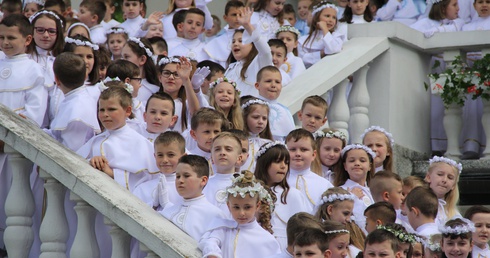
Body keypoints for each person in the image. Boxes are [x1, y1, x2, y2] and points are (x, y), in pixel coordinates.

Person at [77, 86, 157, 192]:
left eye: (111, 109)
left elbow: (143, 180)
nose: (105, 114)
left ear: (128, 111)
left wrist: (109, 172)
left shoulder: (139, 142)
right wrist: (91, 162)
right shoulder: (96, 140)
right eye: (101, 110)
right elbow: (77, 163)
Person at [199, 171, 281, 258]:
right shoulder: (223, 229)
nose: (242, 213)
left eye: (247, 207)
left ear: (257, 206)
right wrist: (213, 253)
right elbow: (210, 242)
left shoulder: (266, 239)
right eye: (236, 207)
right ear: (228, 206)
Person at [156, 155, 225, 241]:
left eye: (186, 176)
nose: (180, 180)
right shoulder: (169, 211)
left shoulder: (215, 215)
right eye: (178, 176)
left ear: (203, 180)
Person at [255, 141, 308, 249]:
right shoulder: (252, 192)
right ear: (264, 163)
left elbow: (303, 229)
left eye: (286, 162)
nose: (283, 166)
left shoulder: (293, 195)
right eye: (278, 161)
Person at [46, 52, 100, 150]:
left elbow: (71, 150)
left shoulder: (77, 108)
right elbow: (55, 134)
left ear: (57, 79)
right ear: (85, 76)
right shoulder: (73, 99)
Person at [225, 7, 273, 98]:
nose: (235, 44)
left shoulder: (259, 62)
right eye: (233, 41)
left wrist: (247, 26)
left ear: (253, 45)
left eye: (240, 41)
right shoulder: (231, 67)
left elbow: (266, 52)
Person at [28, 10, 65, 126]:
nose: (45, 35)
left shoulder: (61, 61)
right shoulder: (25, 59)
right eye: (40, 30)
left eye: (51, 31)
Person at [286, 128, 334, 212]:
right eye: (293, 149)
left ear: (313, 155)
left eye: (303, 149)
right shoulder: (278, 181)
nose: (298, 154)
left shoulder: (325, 185)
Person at [133, 131, 186, 207]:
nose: (164, 160)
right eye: (160, 155)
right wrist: (153, 205)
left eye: (170, 155)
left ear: (183, 157)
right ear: (155, 156)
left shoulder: (189, 188)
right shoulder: (142, 189)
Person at [158, 56, 209, 132]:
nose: (171, 77)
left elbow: (196, 114)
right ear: (160, 77)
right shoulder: (151, 101)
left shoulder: (186, 104)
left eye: (176, 74)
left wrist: (186, 80)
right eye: (167, 73)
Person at [335, 144, 376, 232]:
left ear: (370, 166)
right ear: (345, 166)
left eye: (362, 160)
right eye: (352, 160)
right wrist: (352, 198)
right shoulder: (340, 192)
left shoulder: (373, 192)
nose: (357, 163)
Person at [203, 132, 242, 216]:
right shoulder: (203, 184)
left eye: (228, 149)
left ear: (239, 158)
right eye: (217, 149)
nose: (222, 153)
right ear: (212, 158)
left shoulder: (245, 184)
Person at [298, 1, 347, 68]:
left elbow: (333, 49)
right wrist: (321, 53)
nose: (330, 20)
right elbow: (303, 59)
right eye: (327, 16)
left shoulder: (336, 36)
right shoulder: (303, 40)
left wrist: (325, 30)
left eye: (334, 17)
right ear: (317, 17)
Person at [255, 66, 295, 142]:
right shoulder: (251, 107)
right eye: (268, 81)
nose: (273, 85)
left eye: (277, 82)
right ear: (257, 85)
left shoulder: (285, 110)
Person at [203, 1, 244, 68]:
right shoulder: (217, 42)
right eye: (234, 14)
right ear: (225, 18)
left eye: (241, 14)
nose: (238, 18)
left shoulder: (251, 36)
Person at [122, 37, 160, 105]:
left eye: (126, 57)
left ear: (142, 59)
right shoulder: (117, 84)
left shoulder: (154, 91)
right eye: (122, 57)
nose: (122, 61)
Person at [425, 156, 461, 226]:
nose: (444, 180)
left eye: (450, 177)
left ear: (453, 185)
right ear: (428, 177)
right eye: (440, 174)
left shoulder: (454, 214)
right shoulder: (417, 204)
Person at [240, 97, 273, 172]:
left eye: (264, 118)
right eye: (256, 117)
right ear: (244, 117)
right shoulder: (236, 141)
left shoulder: (268, 144)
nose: (261, 121)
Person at [63, 35, 100, 100]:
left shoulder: (99, 89)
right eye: (79, 56)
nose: (85, 61)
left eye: (89, 57)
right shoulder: (60, 88)